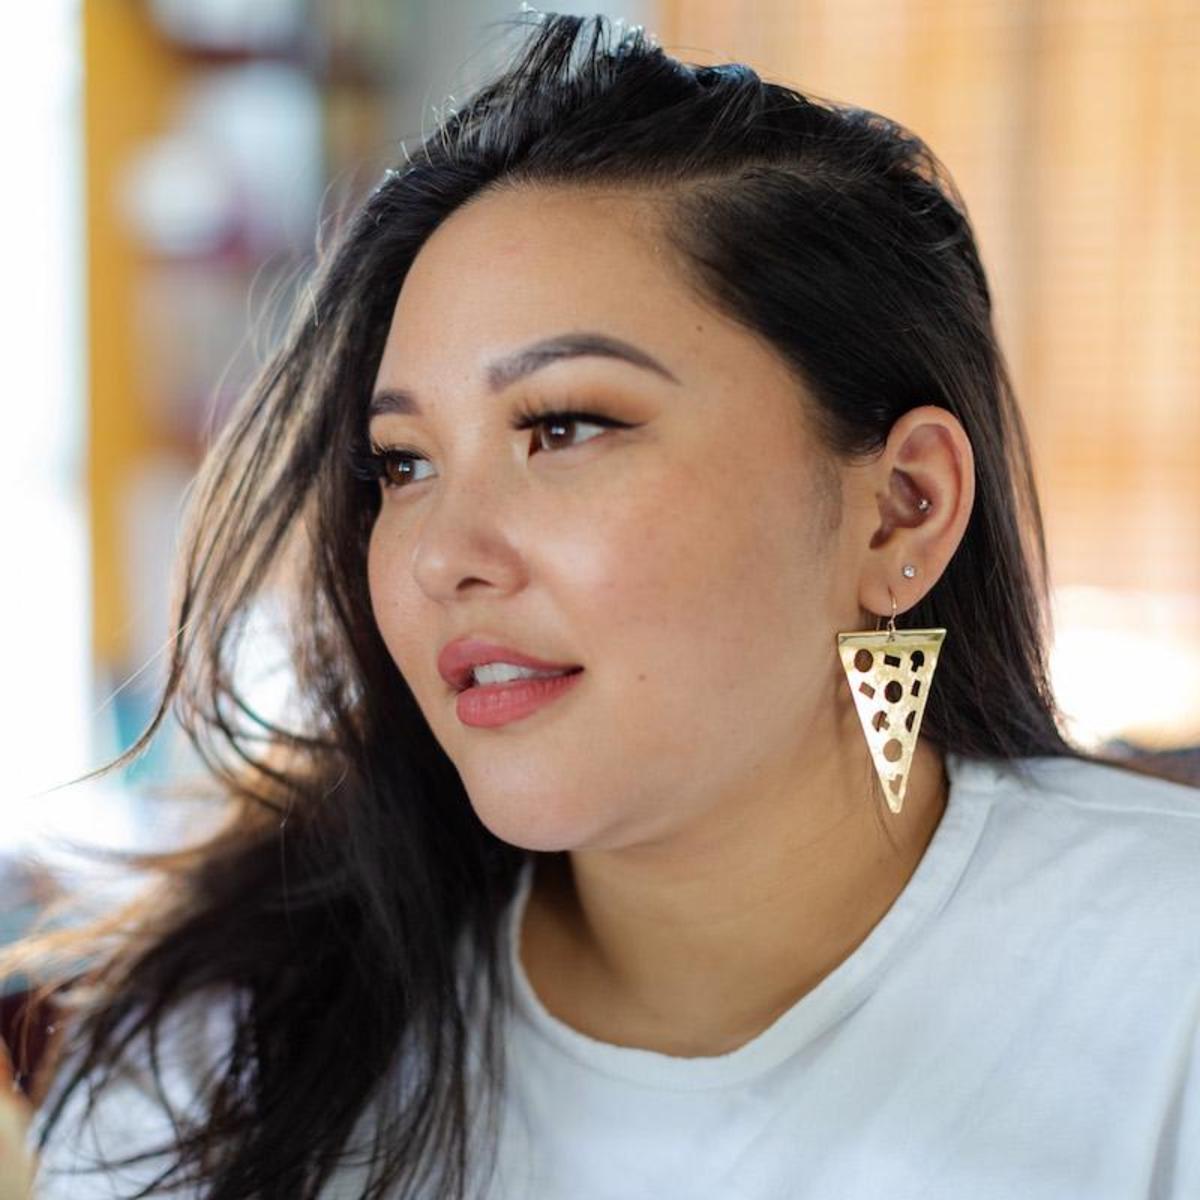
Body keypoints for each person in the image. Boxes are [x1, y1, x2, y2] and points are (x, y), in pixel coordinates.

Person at [3, 9, 1198, 1199]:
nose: (440, 557)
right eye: (403, 464)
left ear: (901, 511)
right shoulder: (216, 1063)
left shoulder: (1165, 980)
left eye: (565, 426)